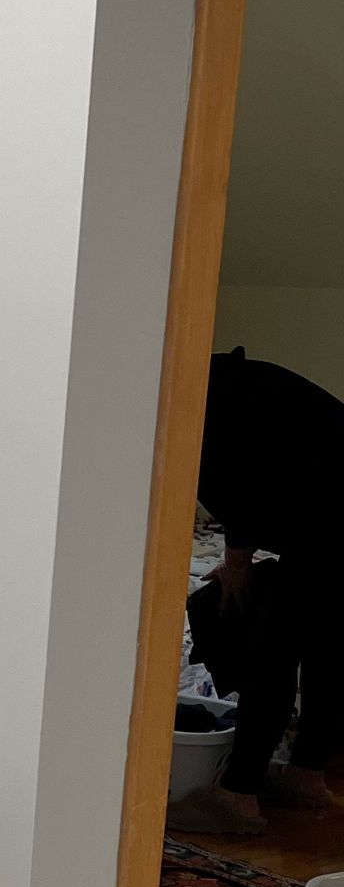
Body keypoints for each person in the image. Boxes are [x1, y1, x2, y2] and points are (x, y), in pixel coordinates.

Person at [172, 346, 344, 836]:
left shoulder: (209, 403)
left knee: (273, 646)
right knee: (325, 648)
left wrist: (236, 561)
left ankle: (236, 797)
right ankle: (306, 774)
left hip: (329, 528)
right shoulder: (237, 382)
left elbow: (243, 484)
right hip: (327, 527)